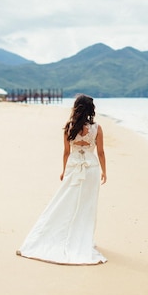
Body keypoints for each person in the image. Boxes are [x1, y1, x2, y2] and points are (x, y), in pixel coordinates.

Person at [16, 94, 107, 265]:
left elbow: (66, 152)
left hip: (73, 167)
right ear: (91, 109)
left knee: (65, 201)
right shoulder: (97, 128)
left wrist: (64, 171)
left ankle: (61, 234)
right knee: (87, 205)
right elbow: (100, 152)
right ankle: (82, 238)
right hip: (91, 168)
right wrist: (104, 171)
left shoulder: (69, 127)